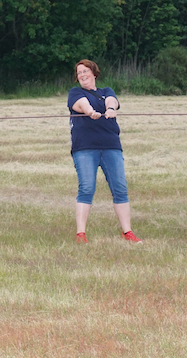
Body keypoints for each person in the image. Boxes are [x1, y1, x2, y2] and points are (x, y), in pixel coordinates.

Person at [68, 60, 142, 245]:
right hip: (85, 147)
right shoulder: (75, 92)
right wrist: (90, 112)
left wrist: (110, 109)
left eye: (85, 71)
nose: (82, 75)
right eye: (79, 73)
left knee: (120, 188)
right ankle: (80, 234)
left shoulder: (106, 91)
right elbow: (81, 104)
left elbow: (112, 101)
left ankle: (127, 232)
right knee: (86, 188)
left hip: (111, 146)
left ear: (94, 73)